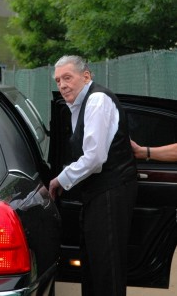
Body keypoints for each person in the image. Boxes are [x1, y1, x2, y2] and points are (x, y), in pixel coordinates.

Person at [49, 55, 137, 296]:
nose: (62, 85)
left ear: (86, 76)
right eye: (58, 81)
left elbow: (95, 158)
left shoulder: (96, 100)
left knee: (106, 266)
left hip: (110, 190)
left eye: (67, 77)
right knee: (93, 263)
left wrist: (60, 180)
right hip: (98, 192)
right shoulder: (79, 104)